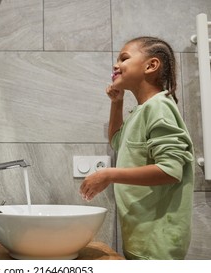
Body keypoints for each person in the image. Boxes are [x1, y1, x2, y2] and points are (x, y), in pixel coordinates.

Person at [80, 36, 194, 260]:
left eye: (124, 58)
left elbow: (170, 170)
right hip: (142, 236)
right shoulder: (142, 110)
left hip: (158, 241)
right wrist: (117, 103)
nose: (115, 64)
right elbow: (116, 141)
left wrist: (108, 174)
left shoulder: (159, 106)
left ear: (151, 65)